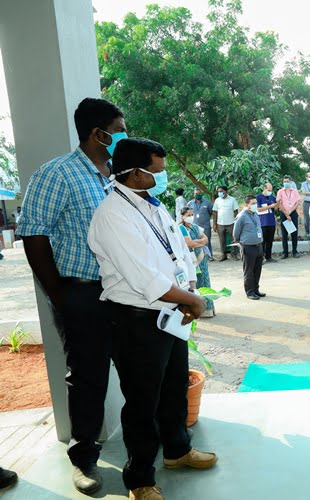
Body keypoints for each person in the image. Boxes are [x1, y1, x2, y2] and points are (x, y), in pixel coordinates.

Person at [88, 138, 217, 500]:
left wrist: (189, 288)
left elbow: (174, 252)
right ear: (133, 173)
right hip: (136, 320)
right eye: (156, 172)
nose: (162, 177)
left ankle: (177, 451)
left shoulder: (152, 205)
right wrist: (191, 298)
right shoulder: (113, 214)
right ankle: (140, 479)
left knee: (174, 386)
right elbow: (143, 277)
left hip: (169, 312)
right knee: (143, 401)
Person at [17, 97, 127, 494]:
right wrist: (59, 294)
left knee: (134, 369)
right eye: (119, 128)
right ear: (99, 133)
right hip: (81, 293)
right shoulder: (58, 174)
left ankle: (145, 447)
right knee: (88, 379)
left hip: (125, 293)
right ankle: (84, 460)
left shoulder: (115, 175)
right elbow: (33, 232)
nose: (123, 134)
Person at [178, 207, 215, 318]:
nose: (191, 217)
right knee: (195, 284)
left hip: (201, 258)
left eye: (192, 214)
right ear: (182, 216)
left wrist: (197, 242)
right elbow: (189, 244)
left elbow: (206, 239)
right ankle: (199, 311)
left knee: (205, 281)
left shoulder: (194, 227)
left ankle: (209, 309)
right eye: (188, 215)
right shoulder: (181, 228)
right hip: (191, 261)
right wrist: (200, 242)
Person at [234, 195, 266, 300]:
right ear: (246, 205)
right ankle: (250, 292)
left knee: (257, 269)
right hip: (248, 246)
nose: (255, 205)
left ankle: (256, 289)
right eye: (252, 204)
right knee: (249, 270)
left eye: (255, 203)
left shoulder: (256, 214)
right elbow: (236, 232)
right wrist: (240, 242)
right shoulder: (242, 216)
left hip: (258, 245)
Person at [212, 185, 239, 261]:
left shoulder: (232, 200)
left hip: (231, 223)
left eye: (221, 191)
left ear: (226, 191)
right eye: (218, 192)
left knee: (233, 239)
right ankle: (223, 255)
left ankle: (234, 254)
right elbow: (215, 212)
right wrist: (214, 224)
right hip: (220, 223)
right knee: (221, 239)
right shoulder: (217, 200)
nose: (219, 193)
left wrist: (237, 222)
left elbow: (236, 211)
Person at [276, 175, 301, 259]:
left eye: (287, 181)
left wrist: (290, 212)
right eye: (284, 182)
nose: (286, 183)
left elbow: (297, 202)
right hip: (283, 213)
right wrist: (286, 214)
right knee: (284, 234)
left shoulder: (294, 191)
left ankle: (295, 251)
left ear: (291, 182)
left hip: (293, 213)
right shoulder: (280, 192)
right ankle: (285, 252)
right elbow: (279, 203)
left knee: (294, 233)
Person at [187, 189, 214, 260]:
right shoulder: (190, 203)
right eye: (196, 194)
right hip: (194, 226)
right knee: (196, 241)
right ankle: (199, 256)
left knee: (207, 240)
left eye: (199, 193)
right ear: (193, 194)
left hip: (205, 225)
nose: (197, 195)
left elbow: (211, 212)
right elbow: (187, 213)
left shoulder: (207, 202)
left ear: (201, 194)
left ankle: (209, 256)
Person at [256, 182, 278, 263]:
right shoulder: (258, 197)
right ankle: (261, 258)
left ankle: (269, 256)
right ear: (264, 189)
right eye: (268, 190)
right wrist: (270, 206)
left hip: (271, 222)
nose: (270, 191)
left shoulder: (272, 197)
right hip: (263, 222)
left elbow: (275, 210)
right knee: (262, 241)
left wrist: (276, 206)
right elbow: (258, 209)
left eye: (271, 190)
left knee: (270, 241)